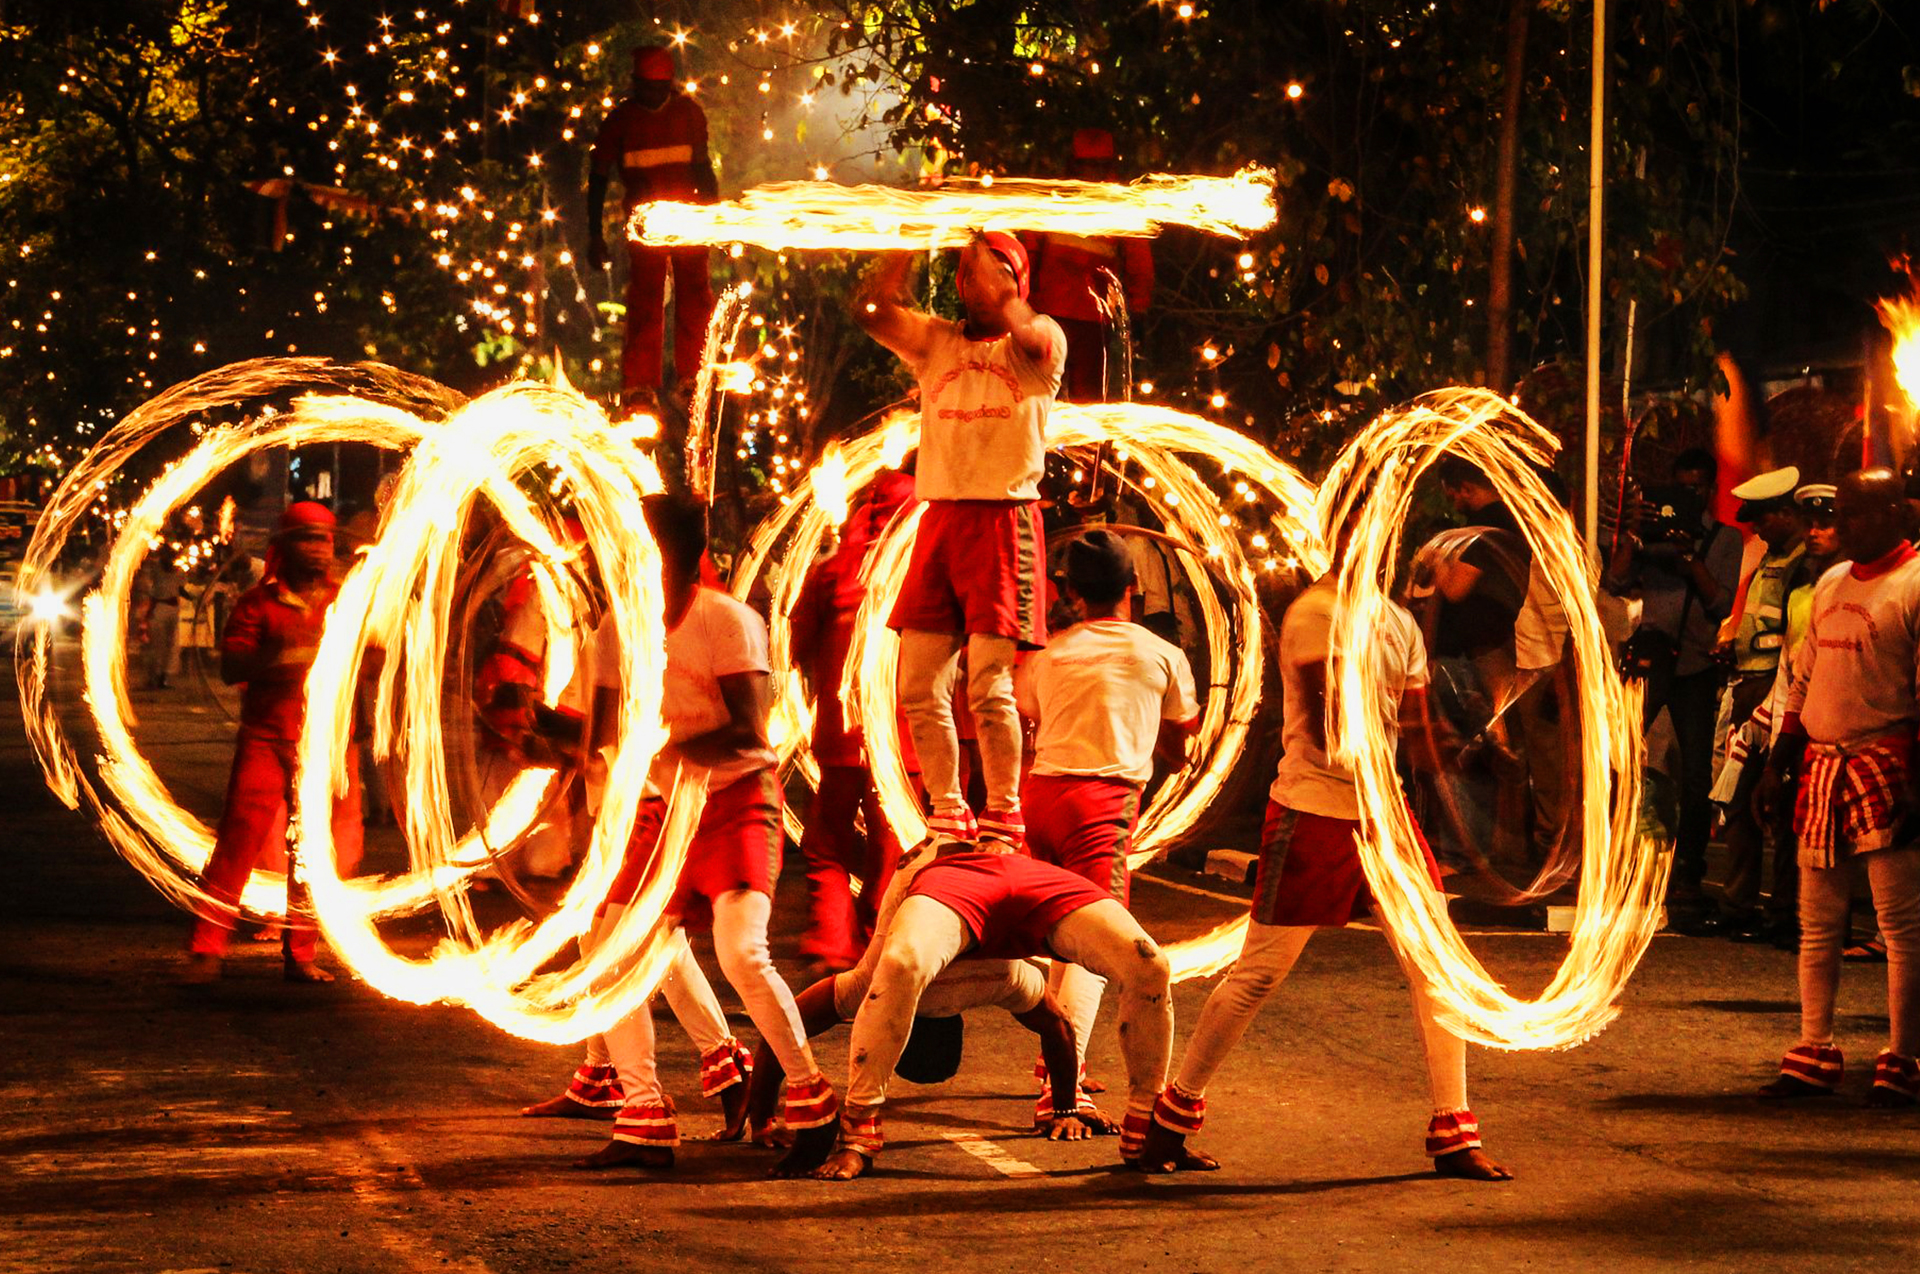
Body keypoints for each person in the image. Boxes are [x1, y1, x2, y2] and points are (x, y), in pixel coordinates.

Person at [1134, 559, 1511, 1181]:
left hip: (1385, 818)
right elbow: (1333, 729)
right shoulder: (1315, 614)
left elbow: (1415, 732)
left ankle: (1454, 1132)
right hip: (1315, 811)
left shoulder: (1397, 622)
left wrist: (1469, 747)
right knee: (1258, 976)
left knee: (1437, 971)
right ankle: (1169, 1122)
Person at [566, 495, 840, 1172]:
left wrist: (662, 744)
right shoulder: (614, 630)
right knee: (613, 950)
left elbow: (749, 729)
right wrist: (532, 730)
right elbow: (599, 737)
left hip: (737, 802)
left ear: (680, 558)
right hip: (665, 812)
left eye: (640, 547)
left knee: (740, 953)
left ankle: (811, 1099)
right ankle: (644, 1114)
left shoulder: (727, 621)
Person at [854, 233, 1067, 852]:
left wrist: (990, 264)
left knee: (988, 684)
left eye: (989, 272)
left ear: (1015, 281)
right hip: (941, 519)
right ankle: (948, 811)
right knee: (918, 682)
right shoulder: (937, 340)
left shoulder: (1040, 341)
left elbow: (1020, 325)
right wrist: (911, 235)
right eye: (965, 274)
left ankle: (1004, 812)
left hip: (1003, 521)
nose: (972, 282)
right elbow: (869, 311)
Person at [783, 848, 1172, 1181]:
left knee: (898, 964)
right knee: (1151, 967)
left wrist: (765, 1110)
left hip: (952, 882)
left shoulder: (991, 979)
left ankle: (860, 1136)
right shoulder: (1002, 978)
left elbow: (787, 1023)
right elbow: (1059, 1028)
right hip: (1023, 880)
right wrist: (1064, 1105)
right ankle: (1149, 1131)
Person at [744, 846, 1112, 1149]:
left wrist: (1066, 1107)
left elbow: (1059, 1026)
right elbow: (784, 1026)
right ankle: (957, 823)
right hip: (934, 869)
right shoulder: (876, 985)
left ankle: (984, 823)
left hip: (985, 864)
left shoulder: (1001, 977)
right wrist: (760, 1119)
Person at [1014, 529, 1198, 1116]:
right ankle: (1059, 1086)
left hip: (1040, 797)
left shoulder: (1052, 652)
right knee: (1105, 946)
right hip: (1102, 805)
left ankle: (1055, 1056)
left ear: (1070, 590)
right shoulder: (1161, 654)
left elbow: (1027, 720)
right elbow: (1178, 741)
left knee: (1060, 933)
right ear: (1133, 587)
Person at [1756, 468, 1920, 1108]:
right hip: (1823, 763)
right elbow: (1803, 680)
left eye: (1852, 513)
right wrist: (1778, 762)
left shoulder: (1912, 584)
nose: (1838, 525)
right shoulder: (1828, 584)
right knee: (1818, 922)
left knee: (1899, 924)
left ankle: (1904, 1056)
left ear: (1893, 514)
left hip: (1887, 759)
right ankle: (1814, 1046)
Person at [184, 502, 364, 984]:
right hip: (266, 739)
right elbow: (230, 668)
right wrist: (278, 654)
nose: (319, 550)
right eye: (307, 539)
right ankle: (207, 949)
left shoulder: (346, 602)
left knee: (310, 852)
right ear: (284, 546)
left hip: (323, 746)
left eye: (324, 540)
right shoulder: (256, 604)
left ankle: (301, 953)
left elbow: (369, 659)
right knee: (237, 845)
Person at [1607, 447, 1743, 932]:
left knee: (1693, 774)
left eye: (1695, 487)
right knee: (1619, 758)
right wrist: (1634, 534)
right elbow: (1616, 580)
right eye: (1678, 487)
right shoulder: (1647, 535)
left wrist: (1689, 557)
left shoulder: (1725, 539)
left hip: (1695, 666)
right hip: (1650, 659)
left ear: (1708, 490)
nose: (1686, 496)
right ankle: (1615, 857)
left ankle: (1688, 870)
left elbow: (1720, 604)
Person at [788, 467, 918, 973]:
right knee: (891, 849)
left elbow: (796, 646)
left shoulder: (830, 570)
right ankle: (877, 944)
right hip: (903, 741)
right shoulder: (923, 570)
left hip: (840, 737)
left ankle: (831, 941)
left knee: (826, 842)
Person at [586, 45, 718, 413]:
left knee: (695, 295)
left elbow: (703, 169)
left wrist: (713, 217)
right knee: (646, 299)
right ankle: (639, 386)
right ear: (635, 83)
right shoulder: (620, 121)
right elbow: (597, 177)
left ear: (669, 86)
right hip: (646, 225)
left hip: (689, 221)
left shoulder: (689, 114)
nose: (651, 95)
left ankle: (693, 377)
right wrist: (594, 233)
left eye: (658, 88)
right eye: (645, 87)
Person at [1712, 468, 1809, 937]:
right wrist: (1729, 640)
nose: (1758, 528)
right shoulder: (1767, 558)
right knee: (1736, 797)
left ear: (1786, 514)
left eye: (1764, 520)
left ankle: (1784, 912)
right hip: (1747, 683)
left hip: (1777, 691)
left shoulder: (1804, 564)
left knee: (1779, 801)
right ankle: (1739, 905)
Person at [1023, 128, 1154, 402]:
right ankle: (1075, 445)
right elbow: (1138, 259)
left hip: (1067, 312)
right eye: (1088, 165)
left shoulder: (1055, 198)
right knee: (1080, 399)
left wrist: (1025, 299)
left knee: (1048, 395)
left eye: (1096, 166)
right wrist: (1139, 306)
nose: (1092, 172)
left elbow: (1030, 251)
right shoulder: (1120, 204)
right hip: (1078, 314)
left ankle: (1052, 444)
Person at [132, 549, 186, 689]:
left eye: (171, 557)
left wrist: (195, 598)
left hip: (173, 609)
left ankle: (163, 677)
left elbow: (181, 590)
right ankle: (152, 677)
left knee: (171, 644)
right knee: (156, 644)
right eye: (165, 557)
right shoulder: (155, 570)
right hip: (158, 608)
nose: (168, 560)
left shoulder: (179, 572)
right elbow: (145, 583)